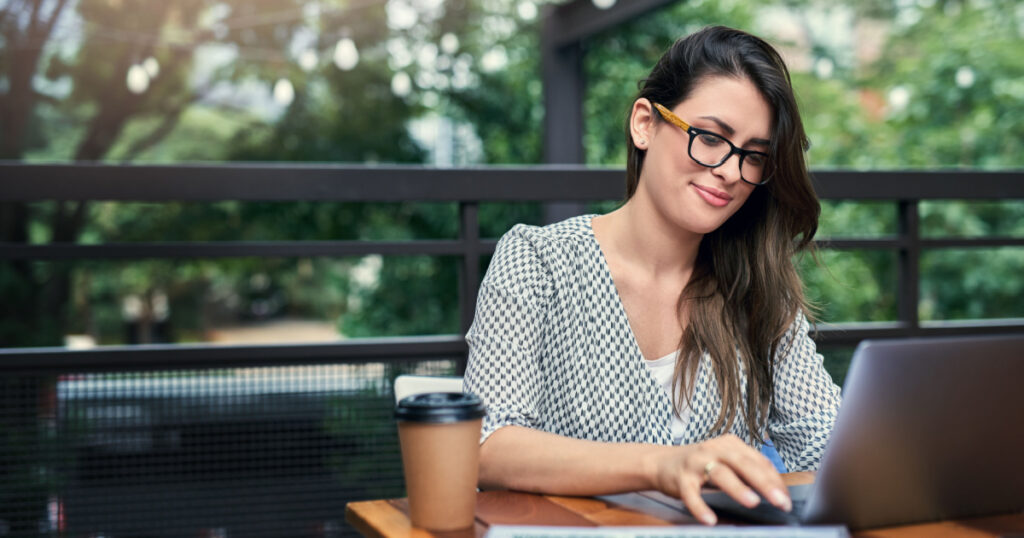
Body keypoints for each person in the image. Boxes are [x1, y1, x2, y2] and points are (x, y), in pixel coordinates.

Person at [462, 26, 842, 526]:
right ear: (645, 123)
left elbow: (829, 445)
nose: (731, 171)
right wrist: (662, 466)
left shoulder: (756, 287)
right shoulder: (538, 261)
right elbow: (488, 446)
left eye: (754, 155)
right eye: (710, 138)